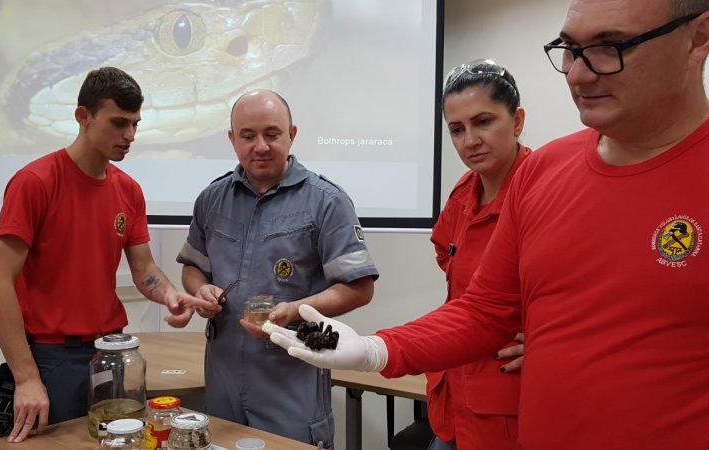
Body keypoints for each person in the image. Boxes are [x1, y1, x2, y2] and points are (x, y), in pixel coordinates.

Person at [265, 0, 709, 448]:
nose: (576, 74)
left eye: (610, 46)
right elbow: (484, 310)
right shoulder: (546, 171)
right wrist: (375, 349)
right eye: (570, 49)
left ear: (698, 37)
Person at [0, 67, 220, 443]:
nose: (130, 136)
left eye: (136, 124)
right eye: (119, 123)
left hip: (111, 353)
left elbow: (144, 269)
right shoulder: (36, 182)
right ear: (82, 116)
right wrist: (26, 377)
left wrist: (170, 294)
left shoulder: (129, 190)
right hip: (51, 359)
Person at [176, 89, 379, 448]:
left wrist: (295, 310)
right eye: (248, 136)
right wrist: (199, 290)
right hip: (223, 382)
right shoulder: (212, 199)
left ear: (292, 135)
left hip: (292, 384)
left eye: (272, 134)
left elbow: (360, 286)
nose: (261, 146)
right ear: (232, 139)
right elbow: (193, 268)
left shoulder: (326, 201)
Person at [412, 60, 528, 450]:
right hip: (456, 389)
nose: (470, 140)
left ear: (517, 121)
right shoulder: (465, 191)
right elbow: (447, 255)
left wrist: (550, 339)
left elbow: (590, 287)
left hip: (512, 398)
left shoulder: (545, 188)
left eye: (483, 122)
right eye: (457, 130)